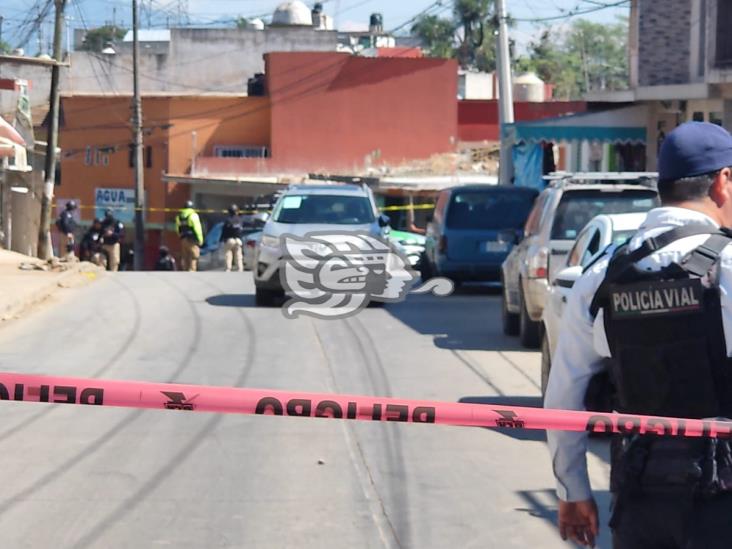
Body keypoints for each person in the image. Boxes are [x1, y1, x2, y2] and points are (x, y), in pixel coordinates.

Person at [545, 121, 732, 549]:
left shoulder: (602, 274)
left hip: (640, 500)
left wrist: (572, 492)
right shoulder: (728, 265)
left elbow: (563, 398)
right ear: (723, 181)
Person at [176, 200, 203, 272]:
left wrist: (180, 236)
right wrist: (200, 239)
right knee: (194, 255)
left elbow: (177, 228)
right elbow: (197, 228)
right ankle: (192, 270)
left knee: (185, 256)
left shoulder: (179, 216)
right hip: (192, 239)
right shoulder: (193, 215)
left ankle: (185, 270)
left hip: (183, 238)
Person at [220, 204, 244, 272]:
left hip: (229, 240)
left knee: (228, 254)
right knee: (238, 255)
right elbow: (241, 230)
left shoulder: (228, 220)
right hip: (238, 240)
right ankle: (240, 268)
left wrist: (222, 239)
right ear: (236, 211)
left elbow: (224, 231)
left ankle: (228, 268)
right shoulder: (240, 220)